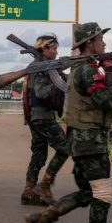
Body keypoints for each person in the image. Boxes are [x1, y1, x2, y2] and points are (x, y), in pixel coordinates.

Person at [25, 22, 112, 223]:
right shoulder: (87, 71)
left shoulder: (84, 68)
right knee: (102, 193)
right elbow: (105, 100)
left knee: (88, 193)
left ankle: (40, 220)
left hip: (81, 140)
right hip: (89, 141)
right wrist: (111, 71)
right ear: (89, 44)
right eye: (99, 39)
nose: (103, 43)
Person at [21, 32, 69, 206]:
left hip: (37, 117)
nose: (56, 52)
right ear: (45, 48)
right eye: (54, 48)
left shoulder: (45, 66)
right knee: (65, 148)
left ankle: (28, 192)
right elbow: (41, 93)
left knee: (39, 155)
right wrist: (60, 82)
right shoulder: (39, 68)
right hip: (42, 117)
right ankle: (44, 185)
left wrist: (59, 74)